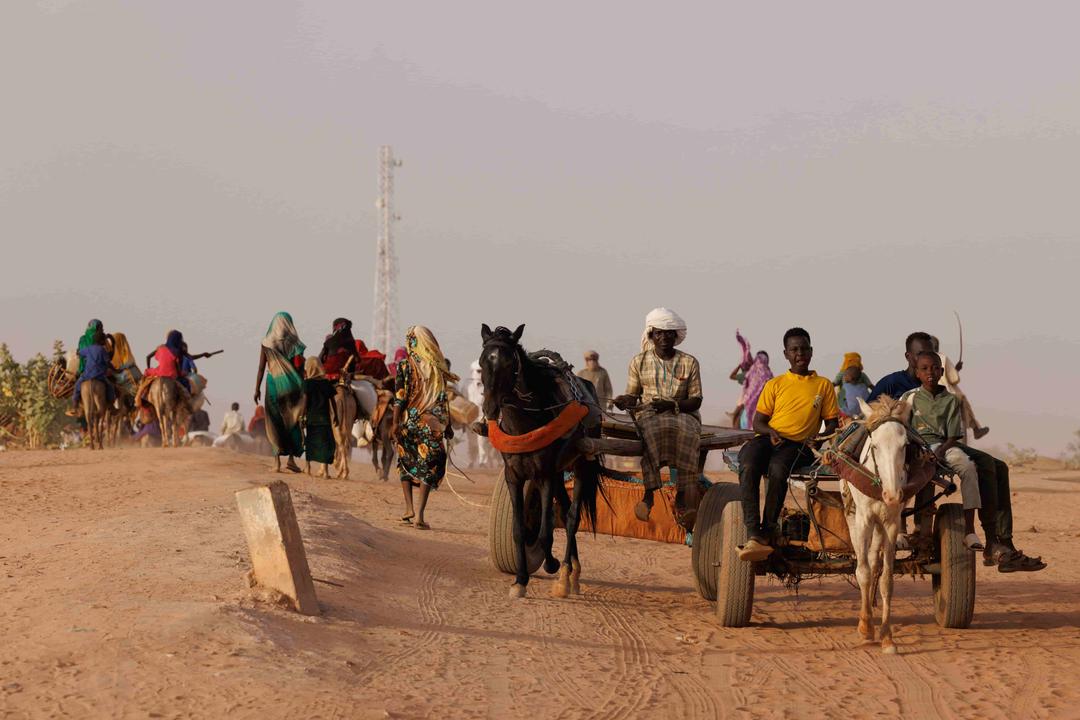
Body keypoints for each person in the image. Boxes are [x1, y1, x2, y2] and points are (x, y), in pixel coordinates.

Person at [737, 327, 839, 561]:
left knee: (778, 469)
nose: (799, 353)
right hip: (768, 438)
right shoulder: (775, 384)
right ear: (786, 354)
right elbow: (758, 422)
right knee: (748, 463)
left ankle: (770, 526)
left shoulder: (823, 385)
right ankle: (754, 531)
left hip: (799, 446)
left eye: (804, 349)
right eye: (794, 349)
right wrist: (771, 431)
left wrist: (821, 436)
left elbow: (831, 423)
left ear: (811, 352)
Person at [612, 308, 704, 530]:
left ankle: (682, 497)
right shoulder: (638, 362)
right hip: (650, 414)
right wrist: (625, 399)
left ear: (676, 336)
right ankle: (649, 494)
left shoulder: (689, 362)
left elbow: (696, 400)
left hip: (683, 413)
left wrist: (671, 405)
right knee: (651, 432)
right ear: (651, 336)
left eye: (668, 333)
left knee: (687, 432)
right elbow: (634, 395)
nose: (664, 338)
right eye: (659, 333)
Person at [900, 352, 984, 550]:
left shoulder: (951, 400)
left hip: (943, 447)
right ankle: (901, 529)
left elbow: (953, 435)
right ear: (917, 373)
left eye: (935, 368)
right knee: (900, 472)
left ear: (941, 371)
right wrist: (916, 449)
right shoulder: (909, 398)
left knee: (968, 467)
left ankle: (970, 531)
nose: (930, 372)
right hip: (915, 446)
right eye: (924, 368)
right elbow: (901, 429)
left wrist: (938, 452)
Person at [392, 326, 458, 529]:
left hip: (409, 422)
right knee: (429, 466)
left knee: (405, 462)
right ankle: (419, 515)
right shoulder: (436, 368)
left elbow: (400, 397)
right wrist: (447, 425)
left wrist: (395, 422)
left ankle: (408, 509)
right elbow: (442, 400)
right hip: (432, 425)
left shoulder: (404, 365)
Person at [254, 312, 307, 473]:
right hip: (291, 388)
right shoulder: (295, 344)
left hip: (272, 385)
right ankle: (291, 460)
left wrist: (256, 388)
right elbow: (299, 368)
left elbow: (261, 368)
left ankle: (276, 461)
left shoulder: (266, 343)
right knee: (292, 421)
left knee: (274, 420)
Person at [930, 335, 989, 440]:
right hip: (946, 394)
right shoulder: (942, 358)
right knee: (962, 398)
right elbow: (954, 379)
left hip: (928, 394)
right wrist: (956, 370)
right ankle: (976, 428)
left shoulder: (920, 359)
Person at [868, 332, 935, 403]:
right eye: (920, 354)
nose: (926, 359)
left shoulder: (937, 386)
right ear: (908, 356)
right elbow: (867, 412)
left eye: (930, 354)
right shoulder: (891, 383)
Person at [302, 357, 338, 478]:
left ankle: (307, 467)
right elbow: (333, 401)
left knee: (310, 442)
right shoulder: (326, 383)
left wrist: (302, 416)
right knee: (326, 444)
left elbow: (305, 402)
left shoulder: (307, 384)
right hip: (325, 418)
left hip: (311, 418)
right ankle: (326, 472)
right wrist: (336, 416)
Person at [68, 328, 115, 416]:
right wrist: (115, 369)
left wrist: (80, 352)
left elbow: (79, 353)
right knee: (110, 387)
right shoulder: (103, 350)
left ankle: (74, 406)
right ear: (102, 341)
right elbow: (108, 362)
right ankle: (111, 406)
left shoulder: (88, 349)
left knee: (77, 387)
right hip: (100, 376)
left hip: (87, 375)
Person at [729, 348, 773, 430]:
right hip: (765, 405)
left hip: (749, 403)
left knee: (737, 415)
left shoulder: (749, 374)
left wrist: (740, 365)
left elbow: (732, 376)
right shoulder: (769, 375)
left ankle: (734, 430)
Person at [465, 360, 494, 468]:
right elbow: (463, 402)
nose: (479, 373)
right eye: (477, 371)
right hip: (469, 418)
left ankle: (483, 461)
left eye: (481, 371)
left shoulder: (488, 386)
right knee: (471, 442)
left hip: (482, 417)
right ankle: (472, 460)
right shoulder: (467, 386)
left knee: (482, 441)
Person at [835, 352, 873, 419]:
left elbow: (834, 384)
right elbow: (871, 386)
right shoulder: (842, 374)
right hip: (857, 404)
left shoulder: (861, 375)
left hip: (853, 406)